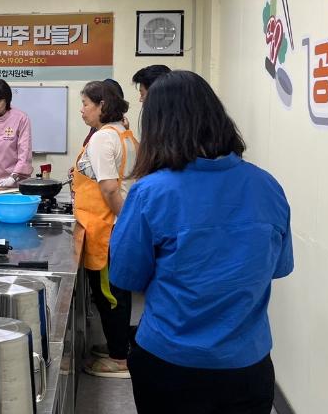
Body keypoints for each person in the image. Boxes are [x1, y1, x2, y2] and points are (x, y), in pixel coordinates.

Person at [109, 70, 293, 413]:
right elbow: (279, 267)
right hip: (247, 367)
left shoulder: (151, 192)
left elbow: (124, 276)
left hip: (170, 363)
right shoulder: (267, 187)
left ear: (159, 128)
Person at [72, 80, 138, 378]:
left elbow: (111, 189)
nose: (82, 110)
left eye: (86, 104)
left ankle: (118, 359)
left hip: (105, 227)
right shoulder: (123, 133)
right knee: (114, 292)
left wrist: (121, 222)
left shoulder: (102, 138)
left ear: (102, 106)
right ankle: (118, 346)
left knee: (109, 295)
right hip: (110, 225)